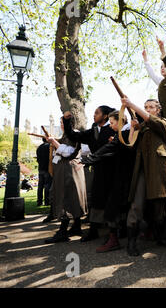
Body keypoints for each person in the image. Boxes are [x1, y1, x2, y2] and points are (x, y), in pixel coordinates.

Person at [119, 97, 166, 256]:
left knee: (159, 207)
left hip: (157, 169)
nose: (148, 110)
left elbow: (150, 119)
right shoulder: (141, 127)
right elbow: (130, 144)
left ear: (158, 110)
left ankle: (160, 237)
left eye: (151, 107)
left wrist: (131, 104)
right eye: (145, 107)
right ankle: (131, 243)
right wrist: (134, 128)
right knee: (137, 205)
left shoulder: (162, 123)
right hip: (141, 169)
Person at [81, 110, 135, 253]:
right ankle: (117, 238)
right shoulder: (122, 134)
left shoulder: (125, 133)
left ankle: (119, 240)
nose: (110, 126)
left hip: (124, 177)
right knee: (117, 208)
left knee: (116, 208)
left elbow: (111, 147)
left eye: (112, 123)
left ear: (121, 121)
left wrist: (92, 158)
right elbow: (112, 149)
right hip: (119, 175)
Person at [63, 105, 116, 242]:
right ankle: (93, 230)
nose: (94, 115)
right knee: (97, 199)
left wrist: (89, 160)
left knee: (112, 200)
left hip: (112, 170)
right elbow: (74, 136)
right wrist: (67, 121)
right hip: (98, 170)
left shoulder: (113, 129)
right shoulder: (92, 131)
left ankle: (114, 233)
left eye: (97, 113)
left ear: (105, 116)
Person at [45, 116, 88, 244]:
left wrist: (54, 142)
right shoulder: (68, 135)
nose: (61, 125)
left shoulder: (74, 134)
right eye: (60, 123)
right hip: (68, 170)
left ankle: (63, 231)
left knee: (66, 198)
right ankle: (76, 227)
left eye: (62, 123)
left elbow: (69, 152)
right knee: (72, 197)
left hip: (68, 171)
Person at [36, 138, 52, 207]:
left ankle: (39, 202)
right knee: (47, 185)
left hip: (40, 168)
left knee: (40, 186)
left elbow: (38, 158)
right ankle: (47, 201)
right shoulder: (49, 147)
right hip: (47, 168)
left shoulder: (39, 147)